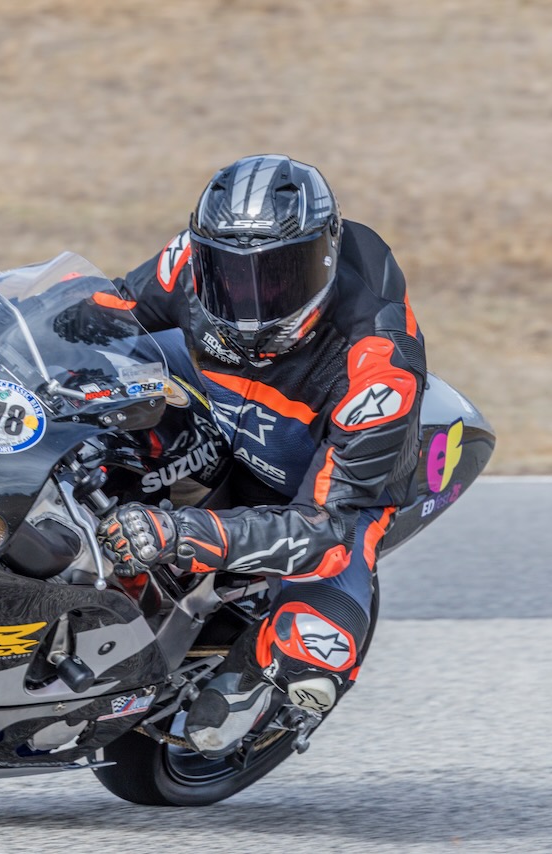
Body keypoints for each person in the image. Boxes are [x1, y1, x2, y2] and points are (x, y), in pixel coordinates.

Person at [96, 154, 427, 757]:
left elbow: (323, 529)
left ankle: (254, 680)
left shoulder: (378, 367)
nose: (251, 302)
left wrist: (179, 534)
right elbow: (103, 315)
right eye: (231, 275)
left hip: (319, 492)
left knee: (316, 656)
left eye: (279, 277)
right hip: (217, 417)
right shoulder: (188, 264)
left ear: (325, 256)